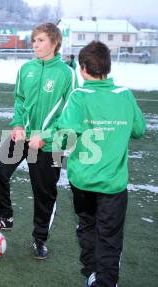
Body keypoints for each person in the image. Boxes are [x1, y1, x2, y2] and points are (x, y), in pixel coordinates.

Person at [0, 22, 78, 260]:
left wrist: (44, 137)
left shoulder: (67, 74)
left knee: (43, 193)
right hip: (23, 135)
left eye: (41, 40)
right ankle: (5, 216)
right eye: (34, 40)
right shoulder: (26, 69)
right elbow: (19, 100)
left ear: (55, 43)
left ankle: (39, 239)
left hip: (49, 143)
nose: (35, 44)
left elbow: (70, 114)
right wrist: (16, 125)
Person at [55, 41, 146, 287]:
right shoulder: (124, 95)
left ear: (83, 69)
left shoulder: (80, 95)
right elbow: (139, 129)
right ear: (107, 66)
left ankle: (93, 274)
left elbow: (65, 134)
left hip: (83, 181)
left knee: (87, 226)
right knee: (109, 237)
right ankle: (105, 280)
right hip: (113, 184)